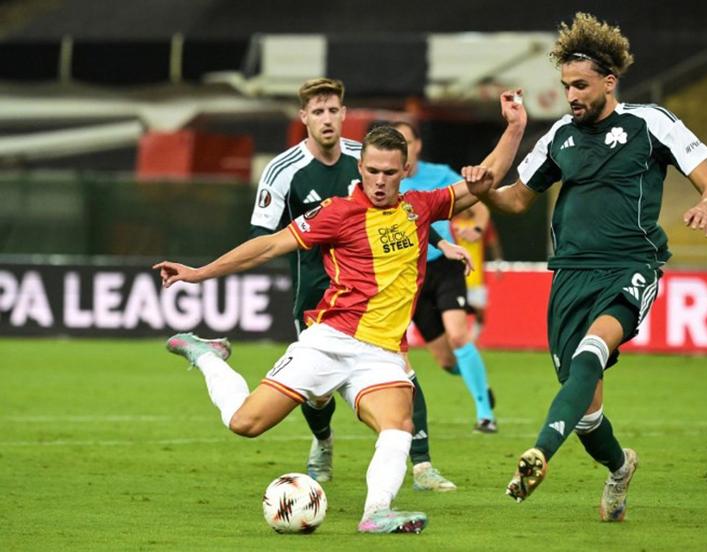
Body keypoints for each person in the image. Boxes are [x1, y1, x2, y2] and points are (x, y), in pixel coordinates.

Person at [155, 106, 526, 532]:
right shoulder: (336, 212)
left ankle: (376, 513)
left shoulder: (422, 208)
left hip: (382, 354)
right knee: (245, 423)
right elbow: (268, 246)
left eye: (389, 172)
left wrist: (515, 127)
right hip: (329, 341)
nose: (381, 180)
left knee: (398, 424)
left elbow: (486, 179)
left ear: (405, 169)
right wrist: (200, 273)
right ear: (361, 168)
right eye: (372, 171)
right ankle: (207, 356)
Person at [464, 13, 707, 522]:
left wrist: (706, 205)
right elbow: (518, 199)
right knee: (586, 412)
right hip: (569, 276)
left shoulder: (651, 123)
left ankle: (539, 452)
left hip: (631, 266)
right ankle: (619, 466)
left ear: (610, 81)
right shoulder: (561, 135)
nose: (572, 96)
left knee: (590, 354)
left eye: (581, 85)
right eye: (566, 87)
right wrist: (483, 194)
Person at [249, 78, 457, 491]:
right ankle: (323, 440)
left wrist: (439, 241)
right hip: (317, 297)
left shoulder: (365, 158)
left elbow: (401, 208)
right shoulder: (281, 170)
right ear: (304, 117)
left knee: (406, 375)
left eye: (333, 110)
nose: (327, 119)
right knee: (317, 395)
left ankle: (422, 465)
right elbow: (263, 237)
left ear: (344, 114)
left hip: (373, 296)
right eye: (318, 111)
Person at [393, 120, 498, 433]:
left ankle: (485, 414)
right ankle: (475, 380)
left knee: (458, 334)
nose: (403, 149)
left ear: (418, 145)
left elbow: (480, 199)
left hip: (445, 265)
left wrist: (476, 229)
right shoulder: (385, 183)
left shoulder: (440, 174)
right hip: (410, 274)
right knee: (446, 360)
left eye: (407, 142)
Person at [452, 209, 504, 339]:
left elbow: (493, 242)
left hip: (476, 276)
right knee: (456, 310)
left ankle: (472, 339)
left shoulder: (481, 223)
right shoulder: (451, 223)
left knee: (480, 313)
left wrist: (498, 263)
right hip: (455, 276)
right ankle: (460, 339)